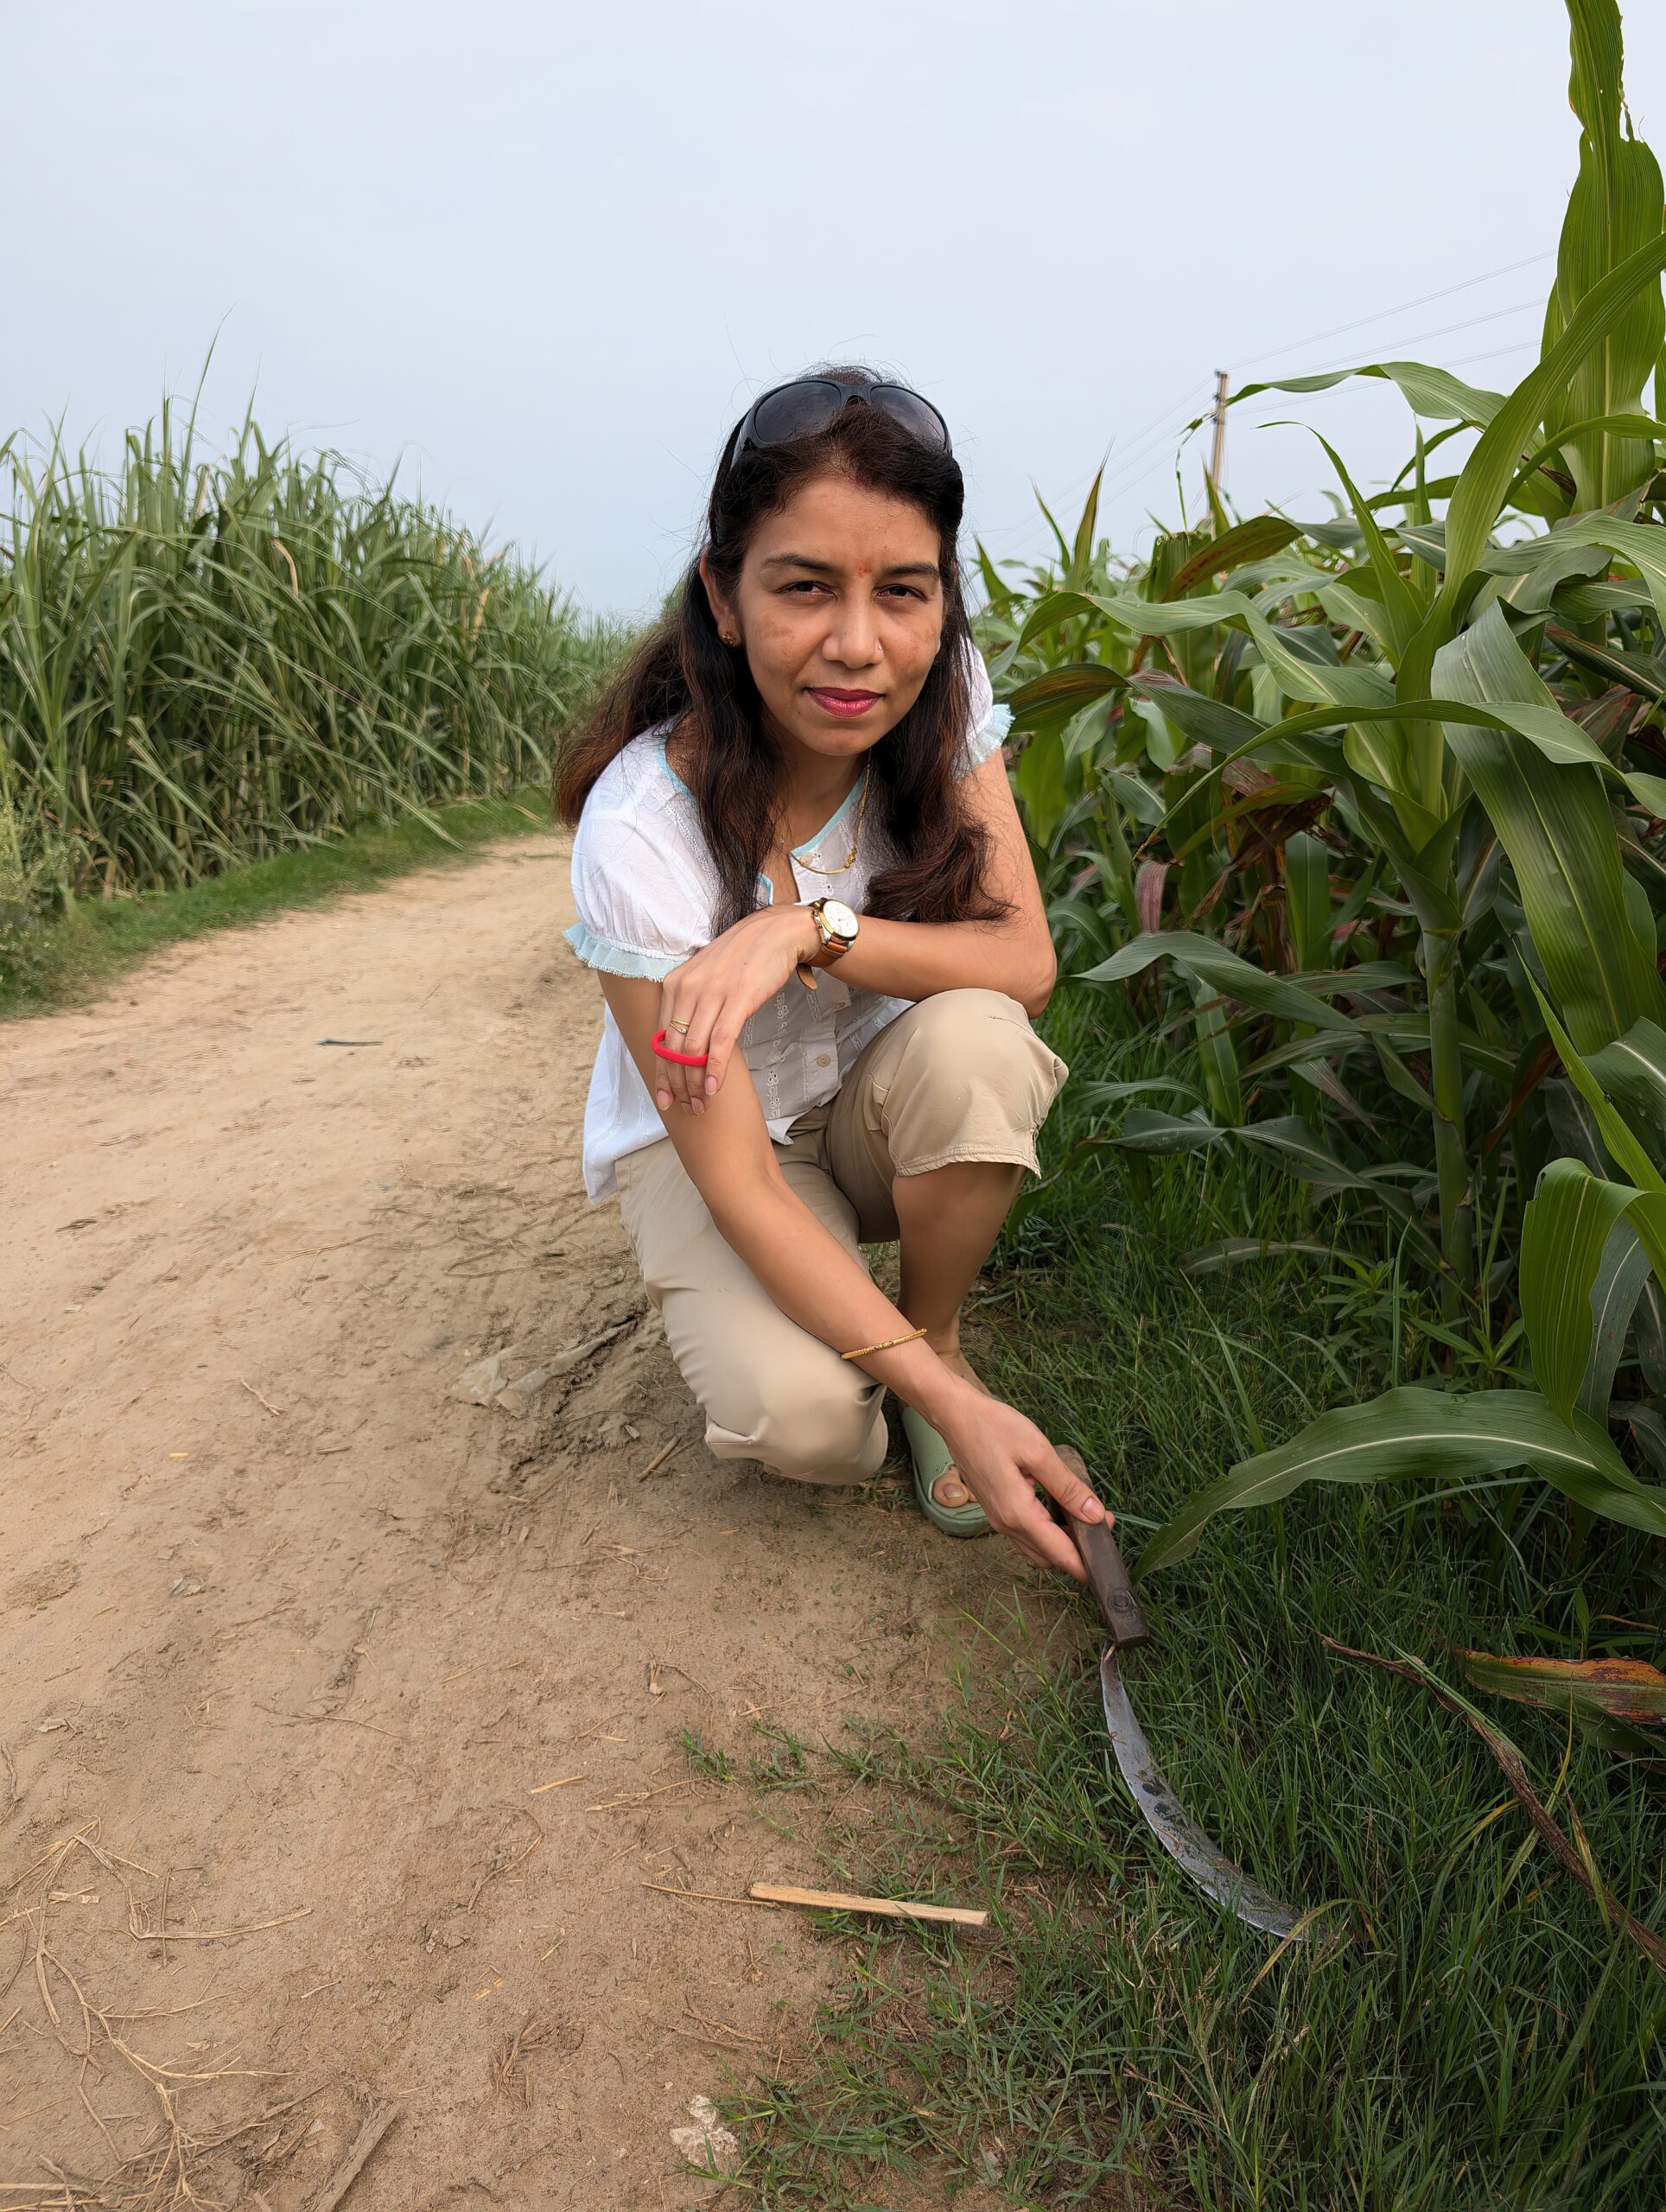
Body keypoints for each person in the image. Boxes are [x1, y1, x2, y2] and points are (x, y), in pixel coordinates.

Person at [555, 367, 1109, 1580]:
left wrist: (812, 930)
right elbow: (744, 1180)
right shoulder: (640, 827)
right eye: (804, 587)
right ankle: (912, 1380)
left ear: (942, 600)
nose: (858, 646)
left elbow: (1021, 964)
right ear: (725, 595)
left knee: (977, 1042)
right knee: (804, 1427)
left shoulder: (945, 694)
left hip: (866, 1097)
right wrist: (960, 1425)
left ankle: (938, 1342)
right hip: (719, 1151)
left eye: (903, 593)